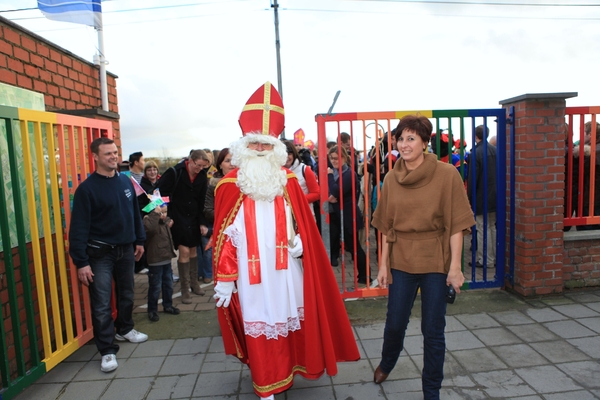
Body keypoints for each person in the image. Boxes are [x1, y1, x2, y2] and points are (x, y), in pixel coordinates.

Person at [213, 82, 359, 400]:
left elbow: (302, 223)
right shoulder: (229, 185)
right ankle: (266, 385)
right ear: (244, 146)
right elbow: (226, 236)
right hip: (251, 272)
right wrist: (225, 278)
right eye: (255, 145)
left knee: (287, 317)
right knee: (260, 318)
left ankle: (292, 368)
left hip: (286, 267)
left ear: (276, 147)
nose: (261, 151)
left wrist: (304, 244)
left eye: (266, 145)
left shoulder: (289, 180)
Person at [371, 115, 475, 399]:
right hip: (402, 260)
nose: (403, 145)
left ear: (425, 142)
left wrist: (454, 268)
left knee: (433, 330)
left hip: (435, 262)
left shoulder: (447, 175)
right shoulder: (391, 178)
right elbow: (386, 226)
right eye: (400, 138)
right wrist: (383, 265)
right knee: (395, 323)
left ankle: (432, 391)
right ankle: (387, 362)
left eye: (411, 139)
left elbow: (456, 226)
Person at [69, 137, 148, 373]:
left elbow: (134, 213)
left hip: (126, 249)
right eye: (108, 154)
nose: (114, 157)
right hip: (99, 253)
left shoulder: (125, 182)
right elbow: (79, 228)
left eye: (115, 152)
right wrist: (81, 262)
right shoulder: (86, 189)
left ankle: (124, 329)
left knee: (127, 294)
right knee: (102, 303)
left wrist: (140, 240)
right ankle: (107, 350)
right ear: (95, 157)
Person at [156, 149, 210, 303]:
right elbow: (159, 194)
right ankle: (185, 288)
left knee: (193, 250)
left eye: (203, 167)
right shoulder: (174, 172)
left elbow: (202, 201)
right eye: (198, 165)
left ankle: (194, 283)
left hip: (193, 218)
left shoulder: (202, 175)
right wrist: (167, 216)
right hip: (177, 218)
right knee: (184, 251)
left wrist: (202, 222)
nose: (200, 169)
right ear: (190, 160)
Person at [327, 145, 370, 286]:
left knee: (355, 248)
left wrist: (329, 177)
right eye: (331, 158)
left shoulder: (347, 173)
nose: (333, 161)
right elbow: (332, 194)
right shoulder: (338, 172)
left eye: (336, 158)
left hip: (349, 216)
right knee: (353, 247)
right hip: (341, 215)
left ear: (344, 158)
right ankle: (364, 275)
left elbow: (335, 190)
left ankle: (365, 275)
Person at [201, 147, 235, 284]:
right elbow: (208, 210)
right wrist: (231, 217)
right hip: (223, 232)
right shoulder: (214, 185)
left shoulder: (247, 183)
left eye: (234, 160)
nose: (232, 163)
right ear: (220, 164)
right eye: (227, 160)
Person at [466, 125, 497, 268]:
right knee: (491, 227)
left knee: (482, 229)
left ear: (475, 135)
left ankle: (485, 260)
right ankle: (493, 258)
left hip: (481, 197)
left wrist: (469, 199)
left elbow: (473, 179)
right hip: (495, 197)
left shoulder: (475, 153)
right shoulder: (495, 150)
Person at [143, 204, 180, 321]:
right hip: (155, 260)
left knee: (168, 284)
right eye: (161, 213)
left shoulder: (164, 222)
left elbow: (168, 221)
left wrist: (167, 219)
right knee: (155, 286)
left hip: (166, 258)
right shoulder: (148, 221)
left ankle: (167, 305)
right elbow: (150, 229)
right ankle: (152, 310)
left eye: (165, 212)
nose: (163, 215)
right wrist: (155, 214)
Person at [283, 140, 319, 211]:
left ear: (294, 154)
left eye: (289, 154)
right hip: (282, 215)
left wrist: (297, 201)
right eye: (283, 154)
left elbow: (317, 193)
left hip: (303, 212)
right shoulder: (274, 171)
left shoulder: (304, 169)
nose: (286, 157)